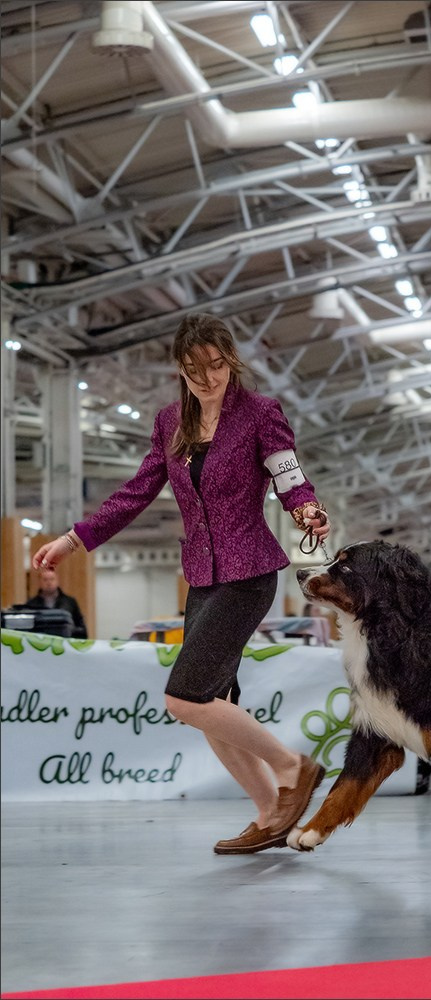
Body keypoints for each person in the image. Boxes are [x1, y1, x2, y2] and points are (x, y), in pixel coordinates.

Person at [32, 312, 331, 855]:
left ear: (230, 361)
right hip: (201, 576)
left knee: (183, 697)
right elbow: (136, 493)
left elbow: (289, 475)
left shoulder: (260, 413)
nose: (209, 378)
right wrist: (74, 539)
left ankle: (293, 767)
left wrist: (307, 508)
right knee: (213, 703)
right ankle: (270, 815)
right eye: (196, 369)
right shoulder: (171, 422)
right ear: (180, 368)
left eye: (217, 366)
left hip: (250, 572)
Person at [24, 565, 88, 639]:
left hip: (66, 643)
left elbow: (82, 629)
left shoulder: (70, 602)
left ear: (57, 581)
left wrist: (70, 630)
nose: (49, 583)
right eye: (45, 580)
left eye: (52, 579)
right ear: (40, 582)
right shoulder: (31, 604)